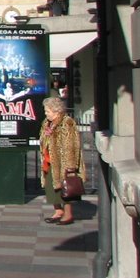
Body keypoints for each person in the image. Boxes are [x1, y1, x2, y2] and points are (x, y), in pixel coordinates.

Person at [40, 96, 85, 225]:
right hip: (49, 161)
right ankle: (57, 211)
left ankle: (68, 214)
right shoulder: (47, 123)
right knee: (51, 187)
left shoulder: (67, 122)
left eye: (48, 111)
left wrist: (70, 166)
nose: (45, 113)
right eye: (46, 111)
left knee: (65, 189)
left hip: (62, 162)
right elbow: (43, 138)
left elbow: (71, 145)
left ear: (57, 111)